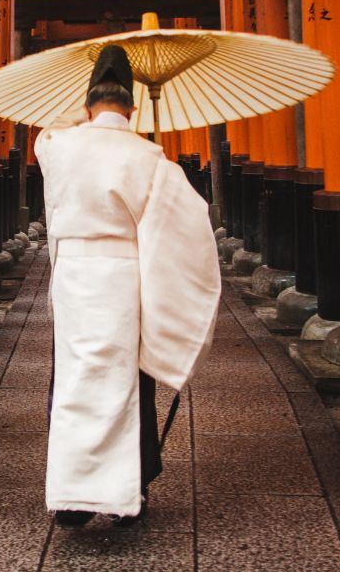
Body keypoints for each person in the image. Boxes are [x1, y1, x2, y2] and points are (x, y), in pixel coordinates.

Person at [34, 45, 221, 527]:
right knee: (129, 381)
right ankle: (126, 493)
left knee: (74, 381)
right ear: (133, 108)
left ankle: (71, 499)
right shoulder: (150, 157)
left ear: (86, 103)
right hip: (123, 277)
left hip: (74, 279)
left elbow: (50, 133)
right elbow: (184, 226)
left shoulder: (54, 146)